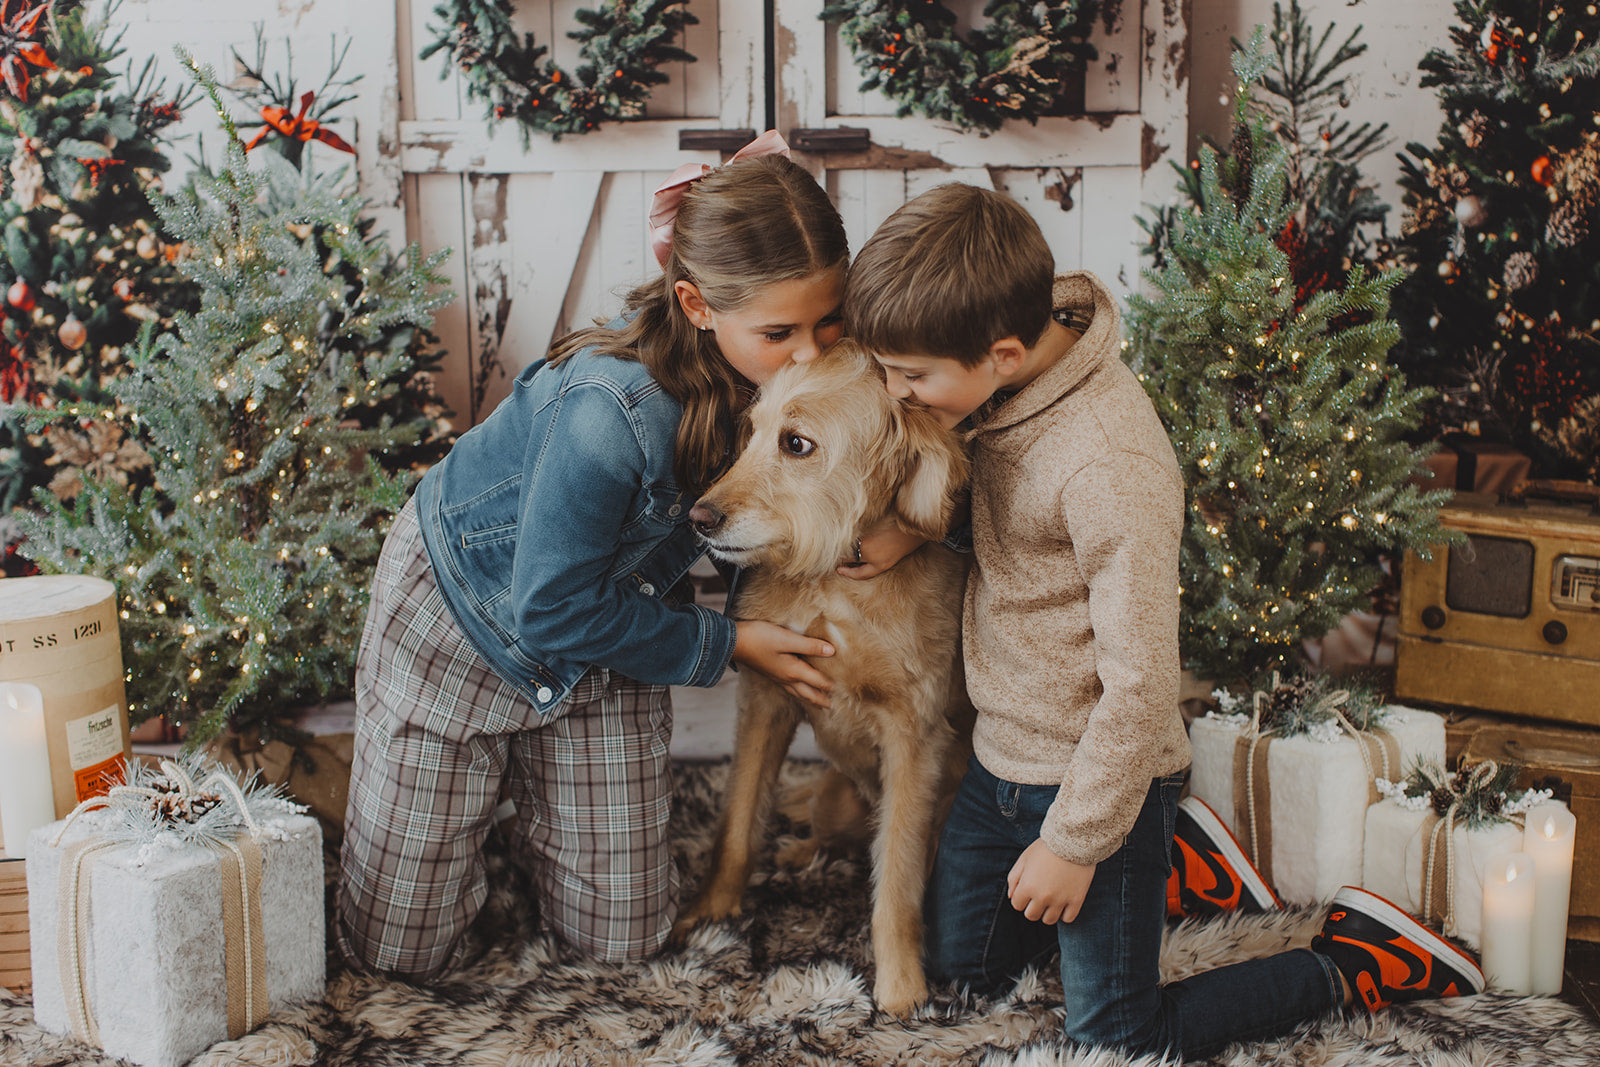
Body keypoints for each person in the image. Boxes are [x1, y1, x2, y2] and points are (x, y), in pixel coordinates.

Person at [842, 182, 1483, 1059]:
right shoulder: (988, 370)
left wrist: (1076, 842)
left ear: (1000, 353)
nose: (894, 393)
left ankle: (1353, 960)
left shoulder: (1109, 463)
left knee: (1118, 1036)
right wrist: (906, 534)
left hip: (1101, 775)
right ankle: (1181, 867)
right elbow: (1005, 523)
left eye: (909, 377)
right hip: (1000, 765)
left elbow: (1141, 689)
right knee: (964, 971)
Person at [338, 133, 847, 982]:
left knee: (625, 940)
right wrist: (729, 643)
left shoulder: (786, 373)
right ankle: (479, 800)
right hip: (472, 618)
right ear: (696, 304)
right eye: (780, 331)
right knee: (399, 954)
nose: (811, 352)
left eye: (828, 320)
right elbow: (551, 607)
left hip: (612, 630)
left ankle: (537, 800)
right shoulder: (611, 413)